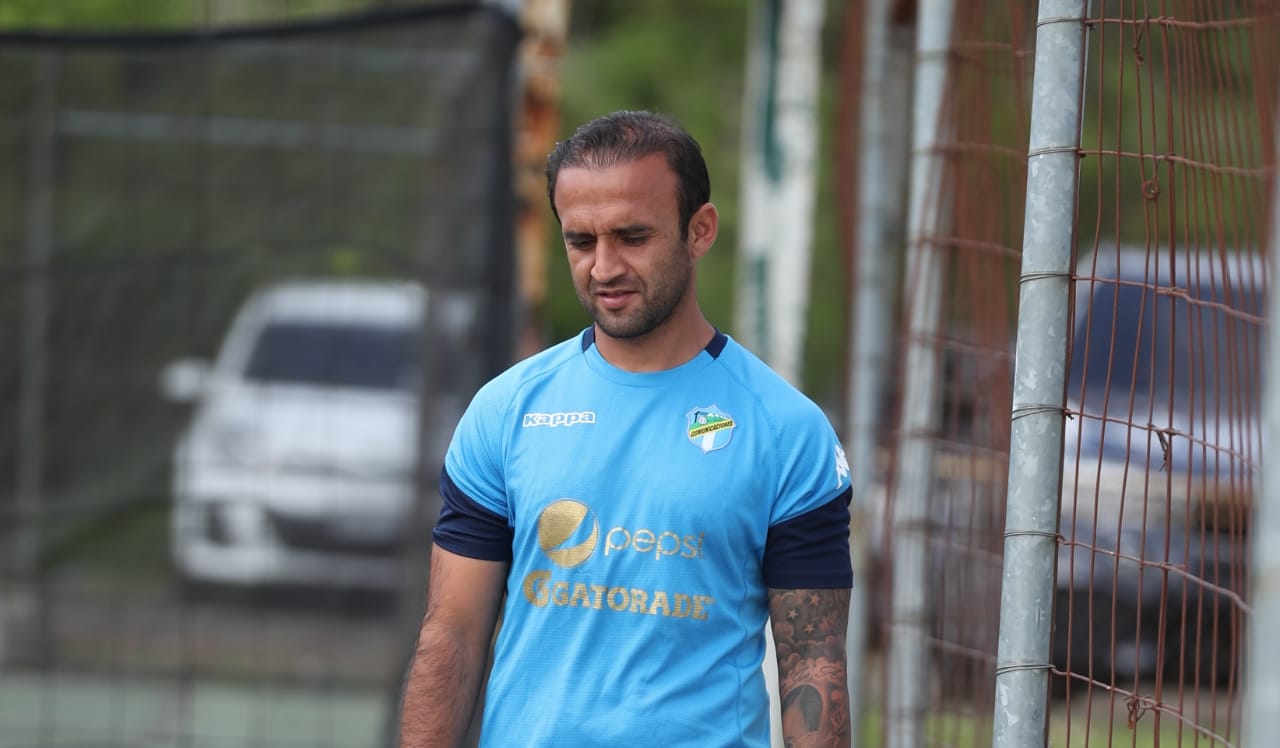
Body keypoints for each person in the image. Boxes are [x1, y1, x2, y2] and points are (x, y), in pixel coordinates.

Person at [399, 110, 853, 747]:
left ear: (700, 231)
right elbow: (452, 636)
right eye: (580, 241)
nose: (603, 266)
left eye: (632, 237)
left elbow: (813, 663)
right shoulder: (505, 411)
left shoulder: (787, 431)